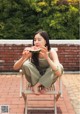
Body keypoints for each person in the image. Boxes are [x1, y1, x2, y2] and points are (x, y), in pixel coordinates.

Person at [13, 30, 63, 95]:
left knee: (59, 67)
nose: (36, 42)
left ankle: (37, 85)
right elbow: (15, 67)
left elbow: (58, 72)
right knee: (25, 64)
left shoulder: (52, 52)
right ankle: (42, 85)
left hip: (48, 77)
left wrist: (47, 58)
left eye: (39, 40)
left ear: (46, 41)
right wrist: (23, 57)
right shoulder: (32, 51)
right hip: (35, 77)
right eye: (35, 40)